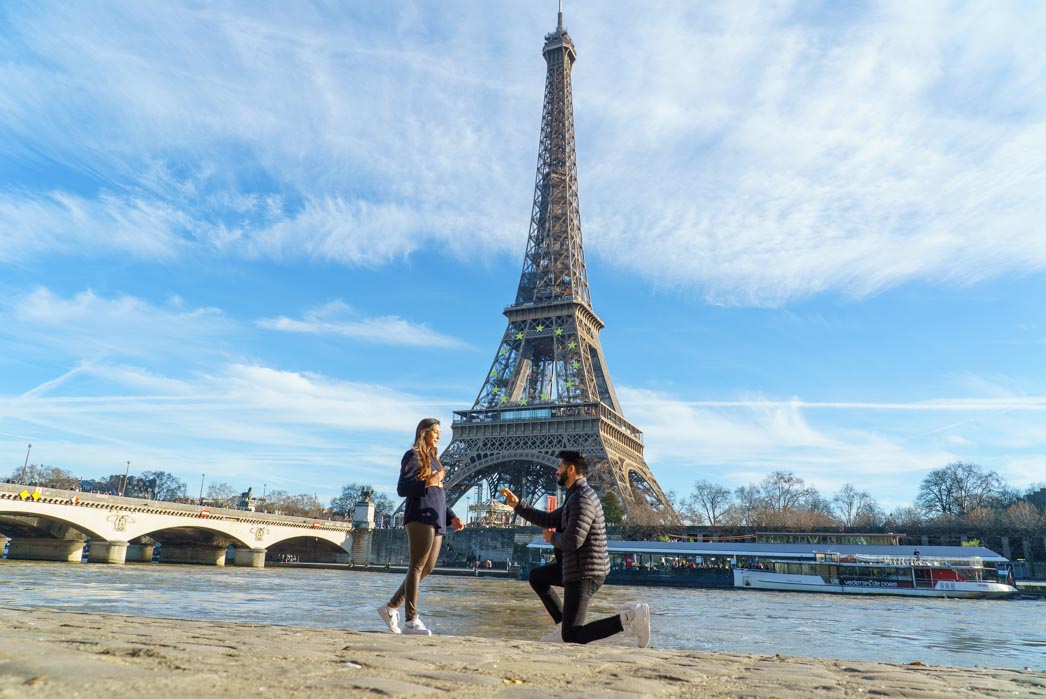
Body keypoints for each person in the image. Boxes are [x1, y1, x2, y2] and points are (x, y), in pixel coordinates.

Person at [501, 451, 651, 647]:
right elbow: (548, 519)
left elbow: (573, 541)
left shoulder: (582, 499)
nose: (556, 471)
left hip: (585, 572)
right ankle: (564, 626)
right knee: (537, 577)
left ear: (570, 469)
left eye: (559, 467)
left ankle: (630, 617)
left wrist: (552, 537)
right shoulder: (575, 496)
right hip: (577, 567)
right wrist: (518, 505)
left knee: (573, 636)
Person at [377, 418, 464, 635]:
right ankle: (411, 620)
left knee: (428, 567)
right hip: (419, 516)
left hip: (436, 517)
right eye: (435, 432)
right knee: (417, 565)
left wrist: (451, 515)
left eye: (439, 432)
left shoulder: (435, 461)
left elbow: (439, 494)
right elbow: (403, 488)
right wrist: (427, 482)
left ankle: (391, 607)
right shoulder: (413, 455)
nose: (439, 436)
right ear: (423, 432)